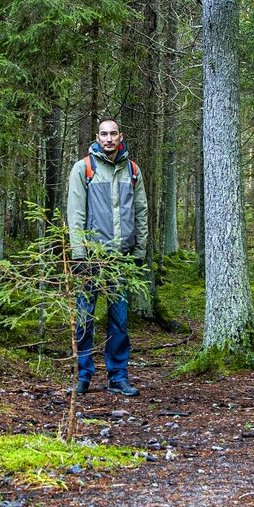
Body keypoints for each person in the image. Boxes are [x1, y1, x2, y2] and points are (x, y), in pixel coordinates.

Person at [65, 119, 148, 397]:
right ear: (97, 137)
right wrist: (78, 252)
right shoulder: (84, 168)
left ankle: (118, 377)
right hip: (91, 259)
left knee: (119, 321)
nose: (109, 139)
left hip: (120, 260)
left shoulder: (132, 170)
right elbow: (75, 213)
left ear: (120, 136)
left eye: (113, 134)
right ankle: (82, 376)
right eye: (104, 134)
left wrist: (139, 253)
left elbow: (141, 212)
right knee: (84, 319)